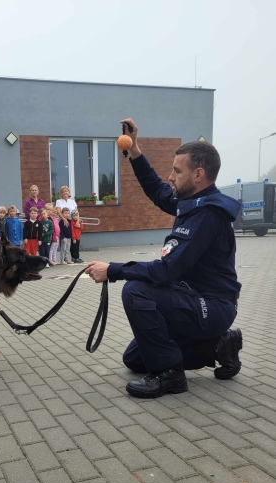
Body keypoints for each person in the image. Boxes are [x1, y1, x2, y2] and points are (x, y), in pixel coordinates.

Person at [86, 117, 242, 399]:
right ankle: (218, 346)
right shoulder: (192, 202)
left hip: (213, 305)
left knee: (135, 290)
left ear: (198, 175)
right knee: (135, 360)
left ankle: (170, 375)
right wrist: (134, 150)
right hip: (190, 299)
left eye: (176, 171)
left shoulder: (208, 216)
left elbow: (166, 271)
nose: (170, 176)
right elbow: (157, 191)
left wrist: (113, 270)